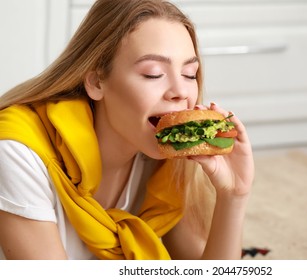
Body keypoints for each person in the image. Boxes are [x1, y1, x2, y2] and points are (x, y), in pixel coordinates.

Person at [0, 0, 254, 260]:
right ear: (97, 81)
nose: (180, 92)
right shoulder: (18, 153)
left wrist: (233, 195)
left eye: (189, 74)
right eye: (153, 74)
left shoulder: (167, 165)